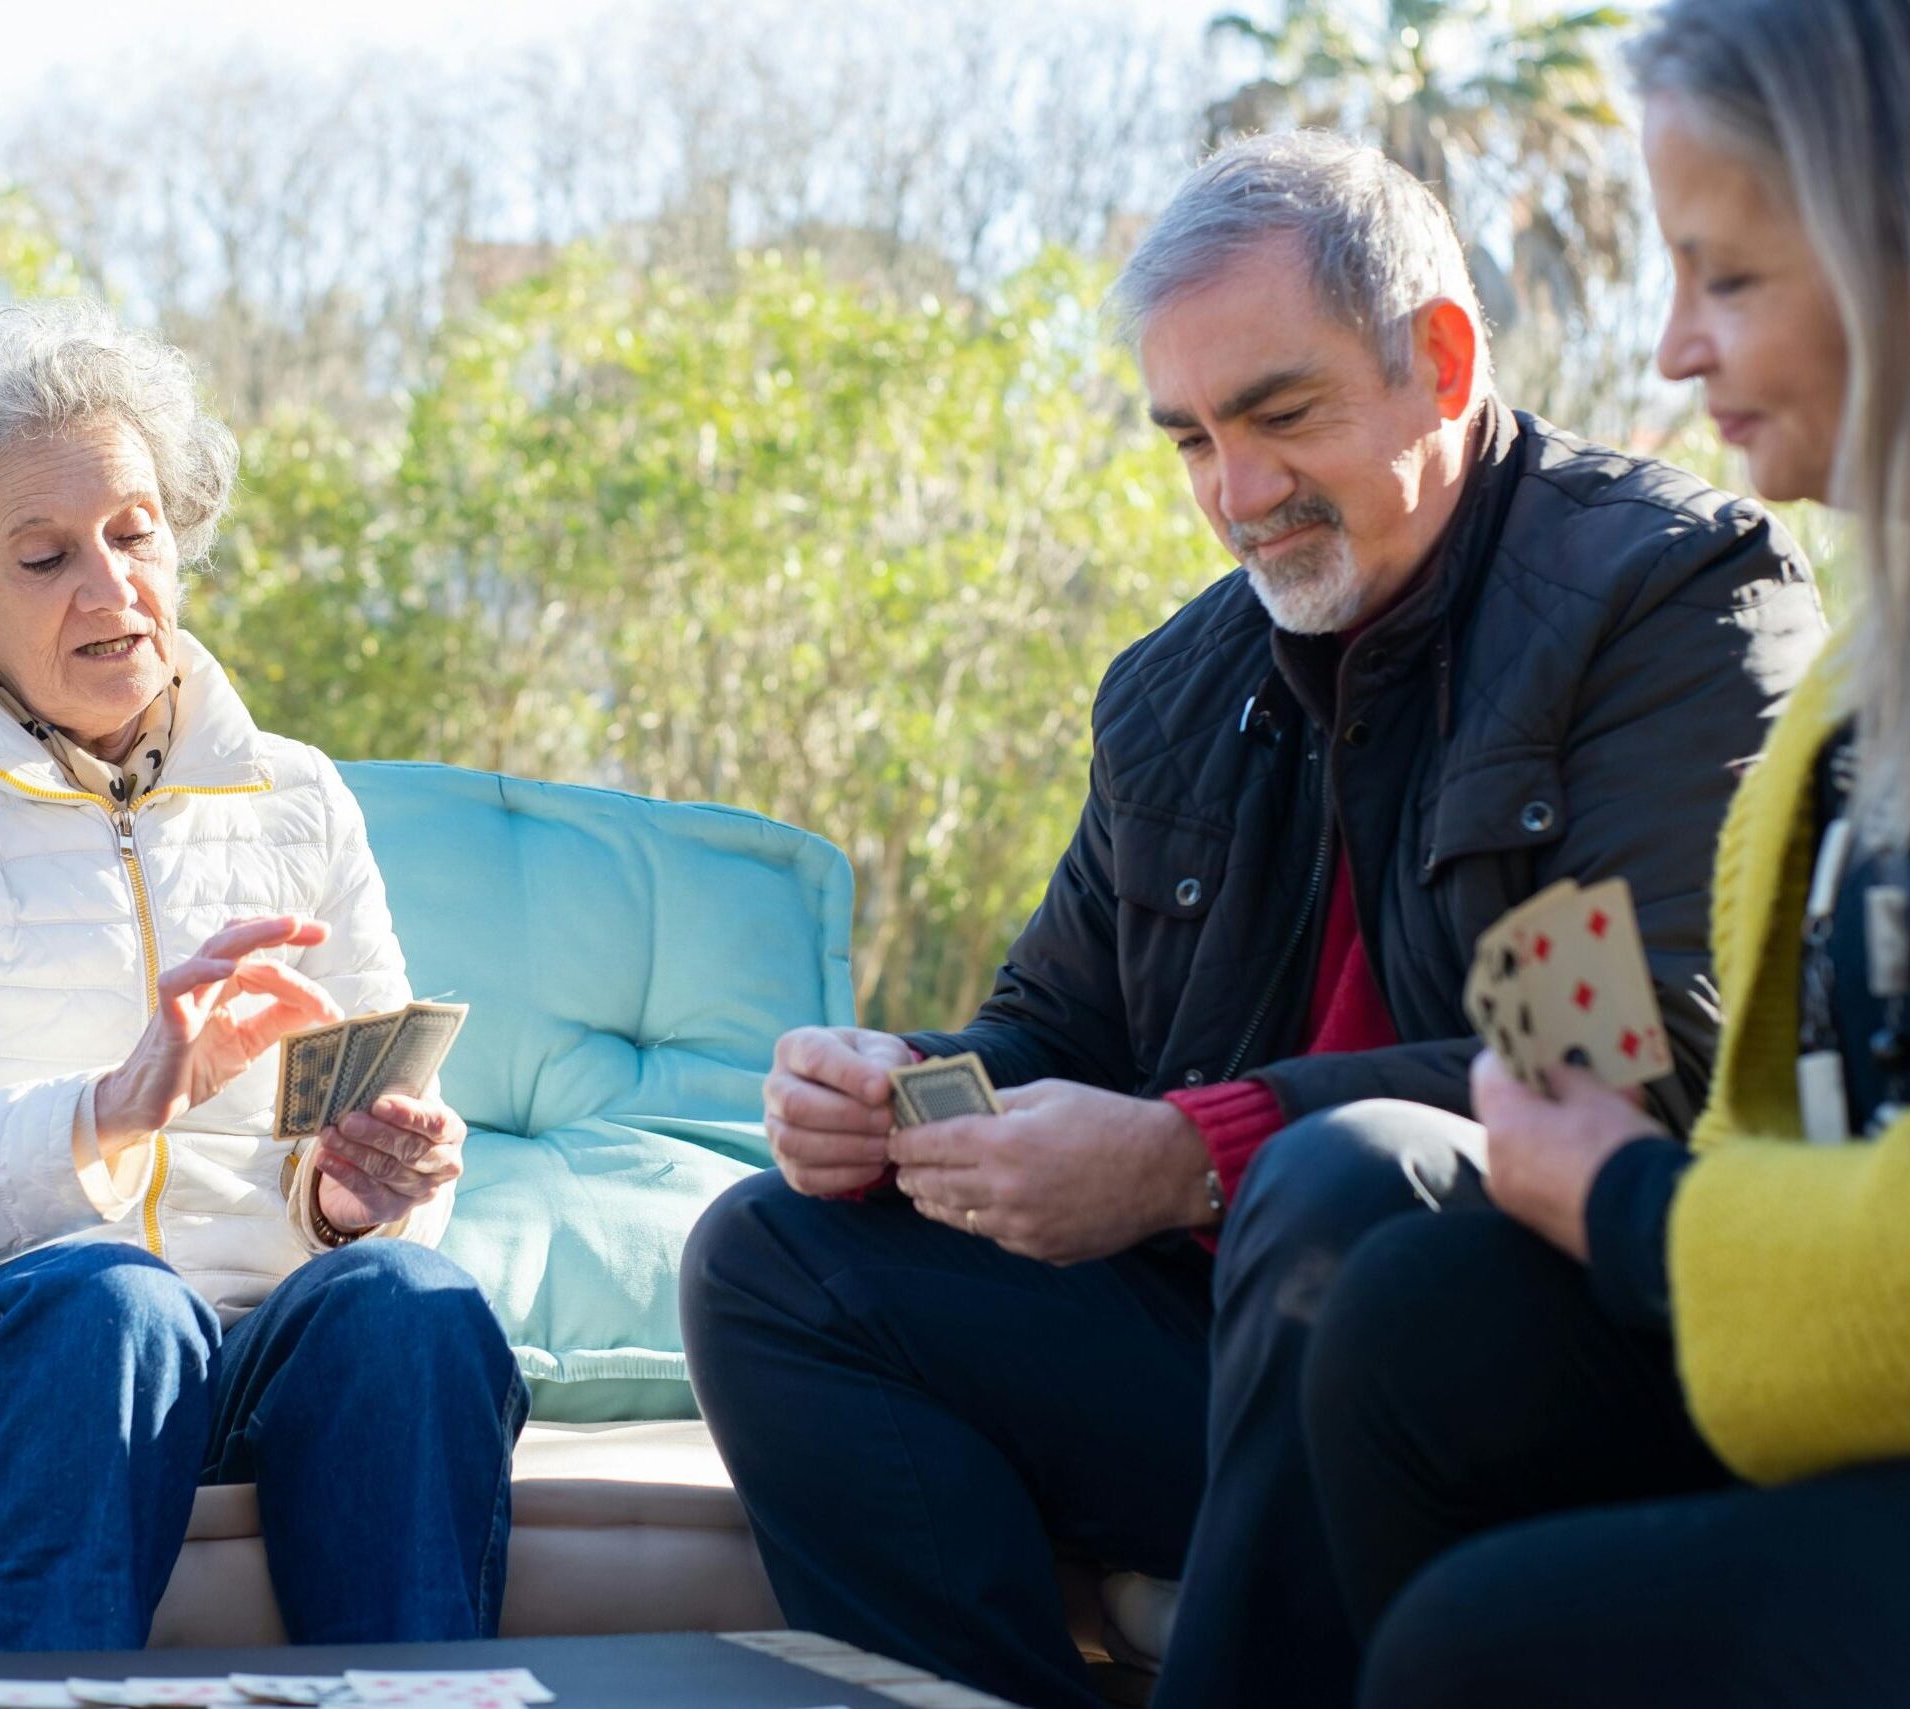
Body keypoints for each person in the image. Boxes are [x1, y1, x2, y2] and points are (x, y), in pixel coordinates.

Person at [681, 131, 1829, 1709]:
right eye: (1192, 441)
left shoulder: (1666, 595)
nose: (1238, 493)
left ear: (1440, 358)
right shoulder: (1174, 690)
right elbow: (1056, 1029)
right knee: (772, 1250)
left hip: (1538, 1349)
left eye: (1281, 416)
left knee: (1332, 1179)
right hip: (1236, 1357)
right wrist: (899, 1092)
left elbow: (1639, 1062)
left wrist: (1187, 1149)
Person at [1299, 4, 1910, 1705]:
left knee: (1464, 1650)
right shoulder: (1862, 687)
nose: (1671, 350)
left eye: (1729, 280)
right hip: (1779, 1351)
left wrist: (1628, 1200)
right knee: (1413, 1318)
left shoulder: (1670, 586)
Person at [0, 299, 528, 1651]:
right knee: (109, 1298)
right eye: (43, 556)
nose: (112, 586)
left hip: (243, 1350)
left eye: (135, 531)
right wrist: (116, 1106)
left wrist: (355, 1191)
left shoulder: (299, 798)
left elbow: (384, 1179)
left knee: (409, 1304)